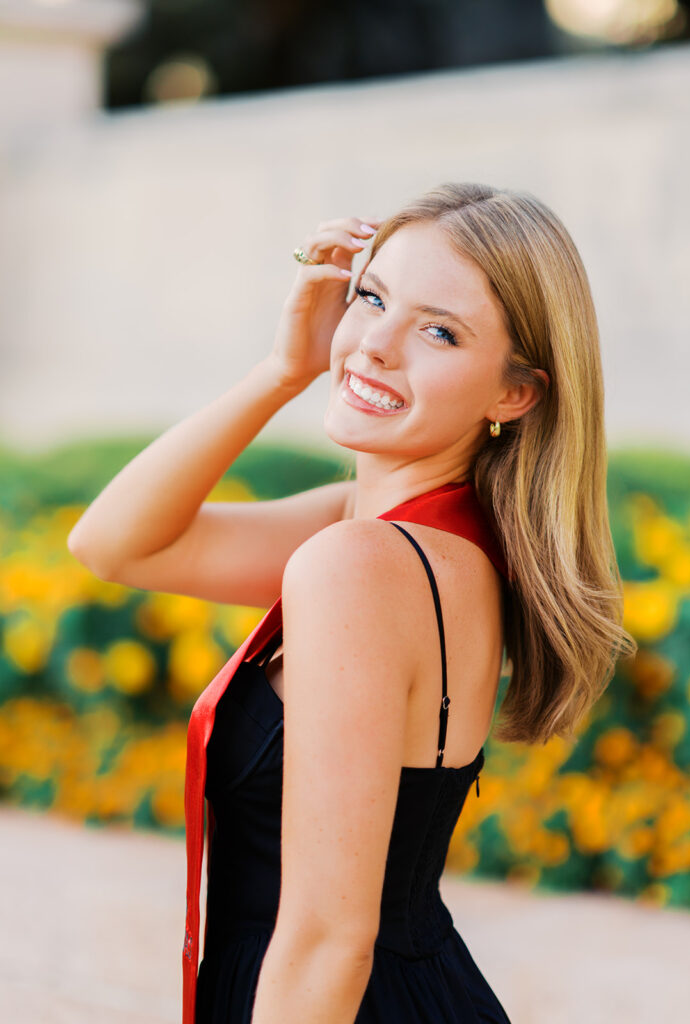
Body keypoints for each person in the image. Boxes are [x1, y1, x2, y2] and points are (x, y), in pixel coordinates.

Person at [68, 181, 636, 1023]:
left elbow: (331, 939)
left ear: (514, 395)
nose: (374, 345)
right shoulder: (400, 536)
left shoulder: (361, 565)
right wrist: (284, 368)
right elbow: (116, 544)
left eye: (439, 331)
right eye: (371, 298)